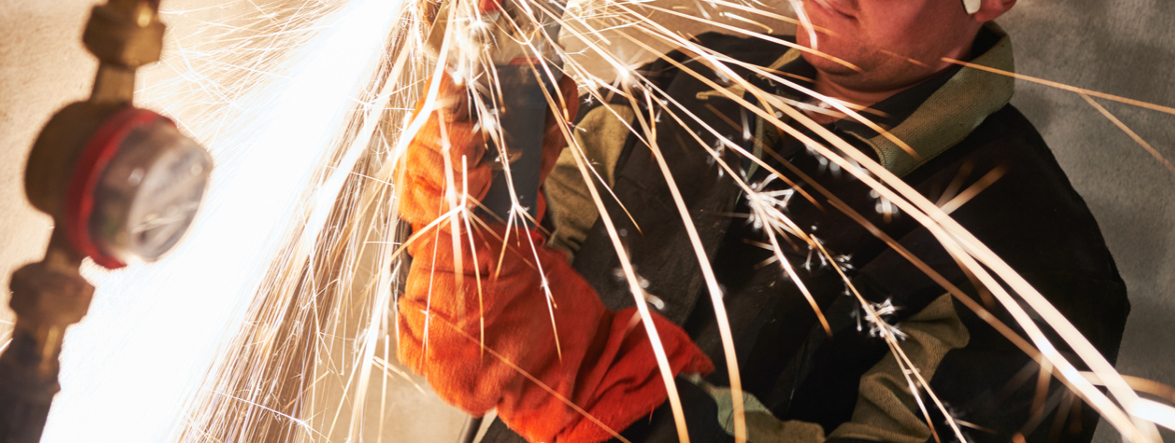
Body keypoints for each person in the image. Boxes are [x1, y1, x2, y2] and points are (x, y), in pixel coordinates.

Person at [394, 0, 1131, 442]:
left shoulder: (1046, 275)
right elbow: (479, 288)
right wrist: (481, 165)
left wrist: (581, 379)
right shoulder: (703, 74)